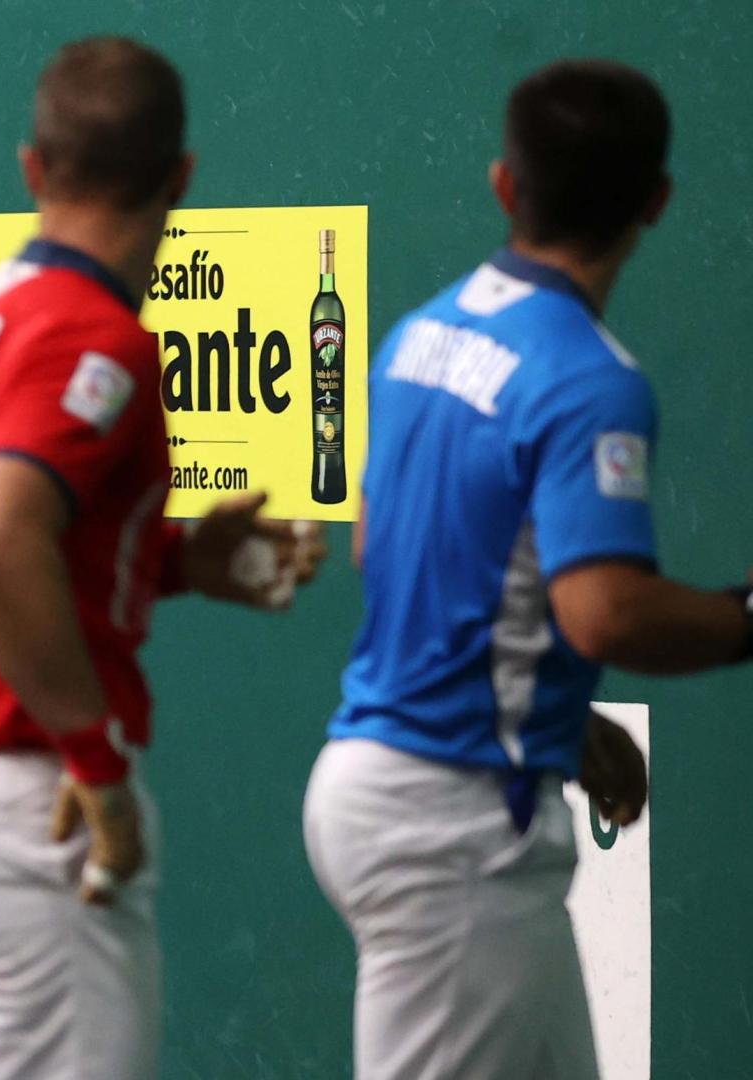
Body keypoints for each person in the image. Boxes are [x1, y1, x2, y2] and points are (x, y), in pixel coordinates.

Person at [0, 37, 326, 1079]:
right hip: (37, 807)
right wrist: (98, 767)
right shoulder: (94, 338)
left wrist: (170, 561)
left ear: (33, 169)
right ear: (181, 179)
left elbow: (27, 537)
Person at [302, 60, 741, 1078]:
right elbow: (607, 616)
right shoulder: (589, 378)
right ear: (659, 203)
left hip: (413, 793)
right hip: (451, 831)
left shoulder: (421, 337)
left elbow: (387, 551)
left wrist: (565, 727)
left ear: (505, 184)